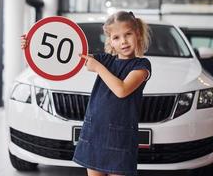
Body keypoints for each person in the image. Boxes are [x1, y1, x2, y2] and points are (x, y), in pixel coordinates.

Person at [21, 11, 151, 176]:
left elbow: (122, 90)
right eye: (116, 37)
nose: (123, 41)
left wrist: (97, 67)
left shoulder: (141, 65)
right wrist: (32, 44)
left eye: (128, 34)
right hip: (95, 130)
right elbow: (68, 55)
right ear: (110, 40)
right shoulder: (106, 60)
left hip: (120, 137)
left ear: (138, 34)